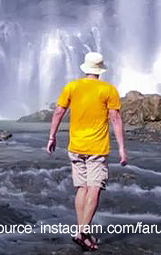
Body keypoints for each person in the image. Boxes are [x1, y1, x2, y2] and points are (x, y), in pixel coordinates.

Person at [46, 51, 128, 251]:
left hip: (75, 146)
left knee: (81, 188)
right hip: (97, 148)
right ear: (100, 70)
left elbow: (58, 111)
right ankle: (83, 231)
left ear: (85, 68)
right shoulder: (108, 90)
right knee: (94, 188)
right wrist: (122, 148)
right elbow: (115, 118)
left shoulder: (72, 87)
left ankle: (80, 231)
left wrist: (51, 137)